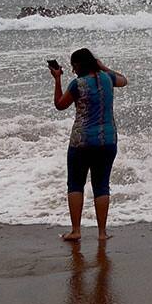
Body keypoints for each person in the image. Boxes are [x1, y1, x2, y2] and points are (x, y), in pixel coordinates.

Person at [50, 48, 128, 241]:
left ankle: (76, 230)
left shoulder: (78, 84)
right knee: (101, 185)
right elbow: (124, 80)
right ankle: (102, 233)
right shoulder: (108, 79)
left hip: (82, 141)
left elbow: (60, 104)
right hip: (108, 140)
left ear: (78, 65)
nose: (72, 70)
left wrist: (57, 79)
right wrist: (103, 66)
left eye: (73, 66)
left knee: (76, 183)